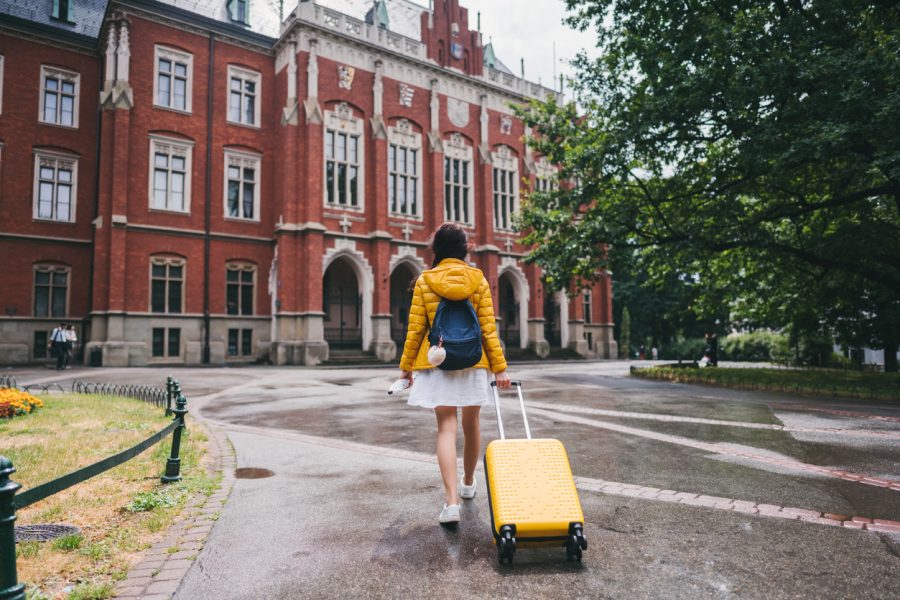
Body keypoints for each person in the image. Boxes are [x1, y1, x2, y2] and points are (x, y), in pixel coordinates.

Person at [398, 223, 511, 526]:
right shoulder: (479, 280)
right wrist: (499, 367)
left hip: (439, 360)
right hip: (474, 360)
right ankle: (469, 482)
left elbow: (416, 329)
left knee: (446, 428)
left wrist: (406, 368)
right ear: (465, 249)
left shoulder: (425, 280)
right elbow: (488, 328)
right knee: (471, 425)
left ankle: (450, 504)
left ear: (436, 249)